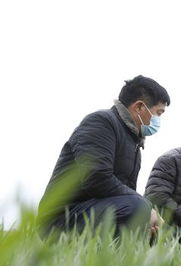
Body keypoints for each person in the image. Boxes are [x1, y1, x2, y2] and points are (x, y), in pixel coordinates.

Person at [38, 75, 169, 237]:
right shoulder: (101, 123)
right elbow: (96, 178)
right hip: (62, 218)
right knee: (139, 208)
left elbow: (124, 193)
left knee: (153, 232)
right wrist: (147, 207)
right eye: (159, 113)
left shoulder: (134, 141)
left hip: (95, 209)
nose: (159, 120)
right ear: (139, 107)